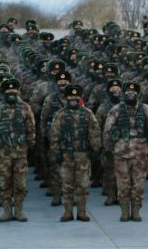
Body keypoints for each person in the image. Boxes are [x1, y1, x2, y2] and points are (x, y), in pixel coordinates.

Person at [103, 81, 148, 222]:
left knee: (138, 185)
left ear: (137, 94)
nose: (130, 94)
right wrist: (108, 149)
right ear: (124, 93)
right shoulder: (116, 110)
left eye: (133, 92)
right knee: (123, 184)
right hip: (121, 154)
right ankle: (124, 211)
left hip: (140, 154)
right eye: (128, 92)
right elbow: (107, 130)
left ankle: (135, 211)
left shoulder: (146, 109)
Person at [50, 84, 101, 222]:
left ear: (80, 98)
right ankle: (67, 212)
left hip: (83, 156)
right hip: (67, 156)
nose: (73, 100)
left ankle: (81, 212)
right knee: (67, 185)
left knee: (83, 185)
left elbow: (94, 133)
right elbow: (55, 135)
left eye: (76, 98)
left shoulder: (88, 114)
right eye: (71, 98)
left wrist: (96, 149)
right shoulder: (60, 114)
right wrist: (56, 152)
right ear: (67, 99)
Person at [0, 78, 35, 222]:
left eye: (13, 92)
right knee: (4, 184)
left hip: (20, 154)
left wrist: (30, 145)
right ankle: (7, 211)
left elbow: (31, 129)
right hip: (3, 154)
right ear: (4, 93)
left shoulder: (25, 108)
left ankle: (19, 211)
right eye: (8, 92)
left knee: (20, 184)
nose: (11, 94)